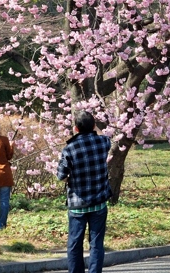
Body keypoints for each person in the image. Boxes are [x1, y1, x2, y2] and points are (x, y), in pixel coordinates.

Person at [57, 111, 112, 273]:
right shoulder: (103, 143)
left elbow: (61, 176)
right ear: (94, 126)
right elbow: (104, 136)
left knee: (74, 244)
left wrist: (71, 179)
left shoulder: (70, 149)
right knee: (96, 244)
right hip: (99, 203)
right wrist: (96, 127)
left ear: (75, 128)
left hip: (77, 204)